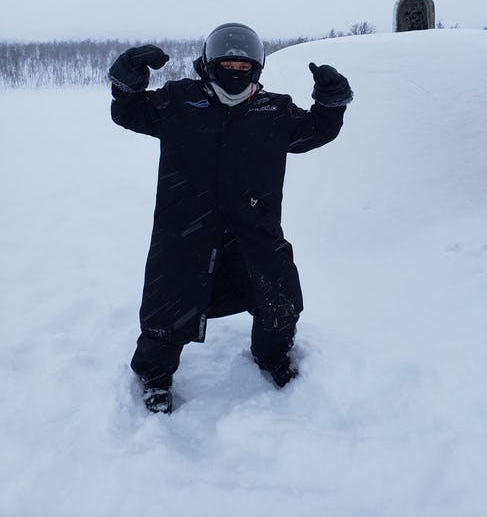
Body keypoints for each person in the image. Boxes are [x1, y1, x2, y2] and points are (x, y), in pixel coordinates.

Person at [109, 23, 353, 413]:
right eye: (227, 64)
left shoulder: (273, 110)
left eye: (243, 65)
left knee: (280, 302)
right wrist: (128, 73)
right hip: (184, 231)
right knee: (167, 313)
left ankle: (271, 356)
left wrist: (332, 101)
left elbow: (315, 131)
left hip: (253, 230)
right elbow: (128, 111)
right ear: (208, 64)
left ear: (256, 68)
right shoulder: (178, 101)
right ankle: (154, 377)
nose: (235, 72)